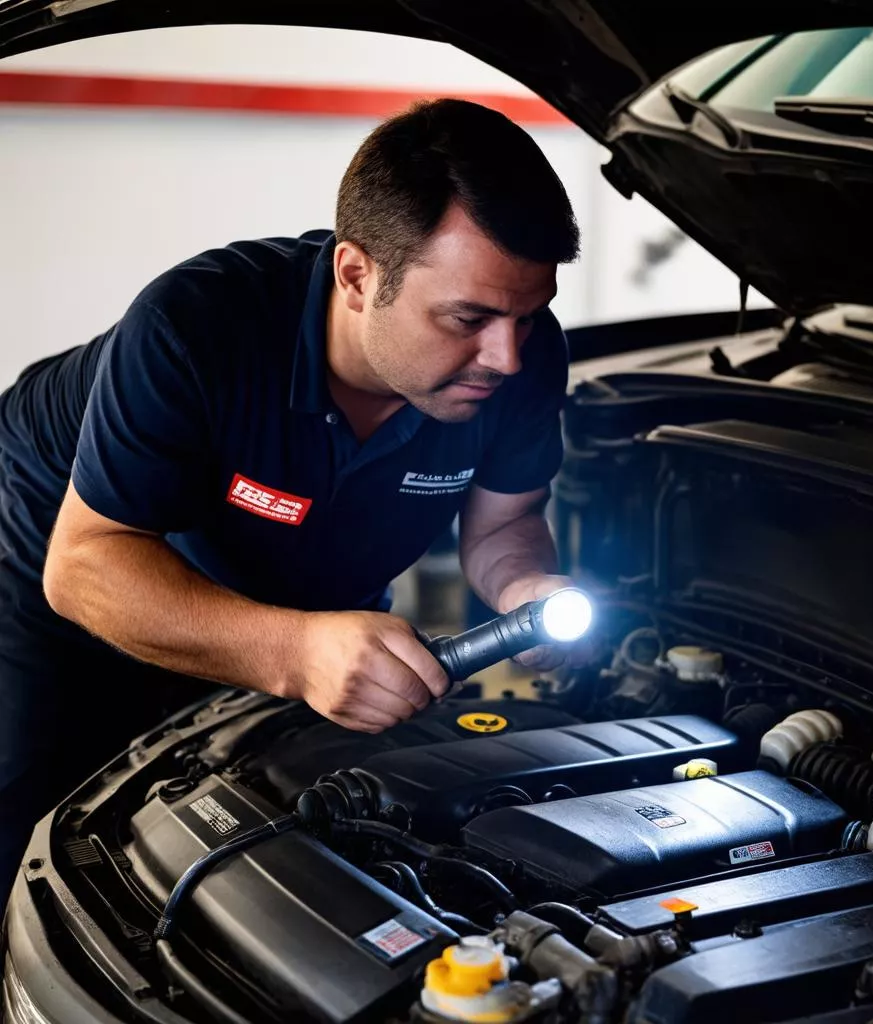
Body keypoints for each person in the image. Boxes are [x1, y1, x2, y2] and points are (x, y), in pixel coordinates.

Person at [0, 98, 581, 901]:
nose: (507, 357)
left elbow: (506, 523)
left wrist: (526, 592)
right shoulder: (196, 327)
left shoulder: (521, 357)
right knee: (29, 814)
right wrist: (296, 653)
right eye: (468, 317)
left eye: (530, 313)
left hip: (306, 582)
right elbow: (85, 567)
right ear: (355, 275)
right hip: (66, 545)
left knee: (295, 814)